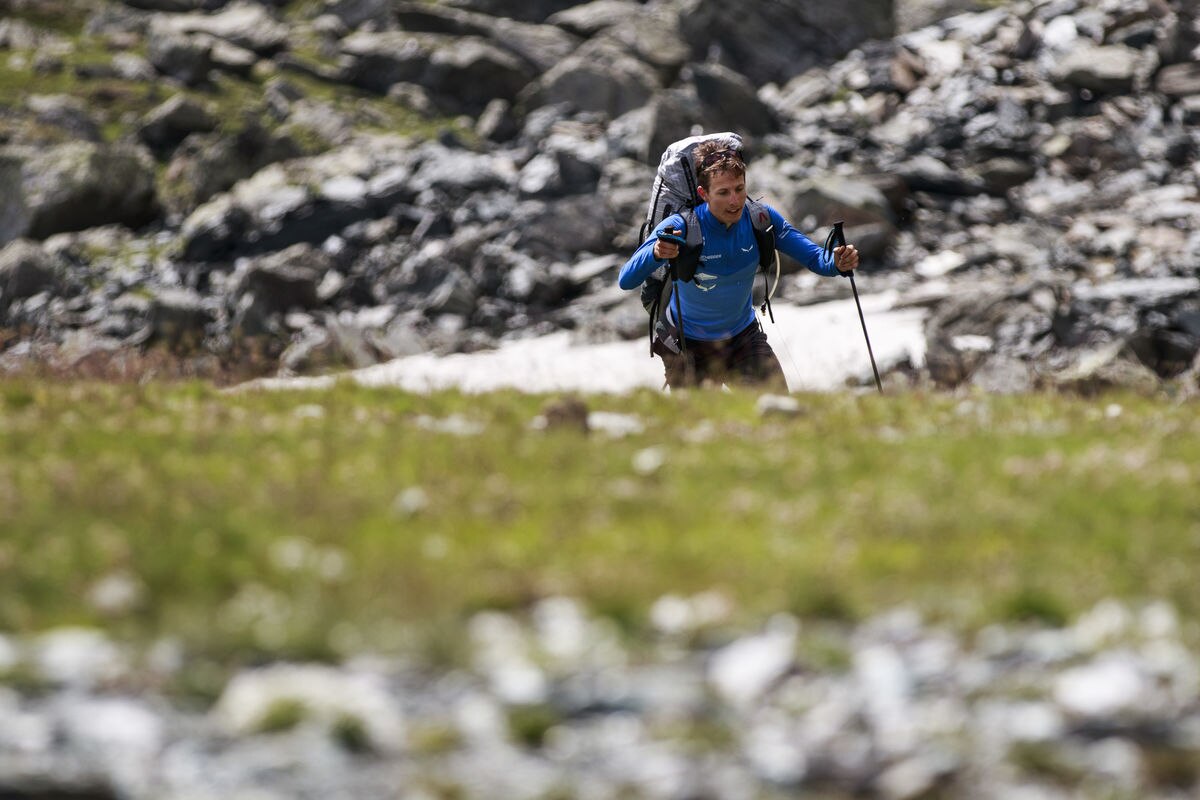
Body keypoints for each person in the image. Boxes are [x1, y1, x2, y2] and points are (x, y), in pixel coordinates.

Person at [618, 140, 860, 389]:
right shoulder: (682, 227)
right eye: (723, 192)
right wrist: (657, 253)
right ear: (704, 194)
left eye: (739, 188)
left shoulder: (761, 219)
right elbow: (626, 280)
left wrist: (838, 263)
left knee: (779, 416)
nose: (734, 200)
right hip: (687, 346)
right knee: (701, 428)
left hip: (744, 339)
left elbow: (816, 259)